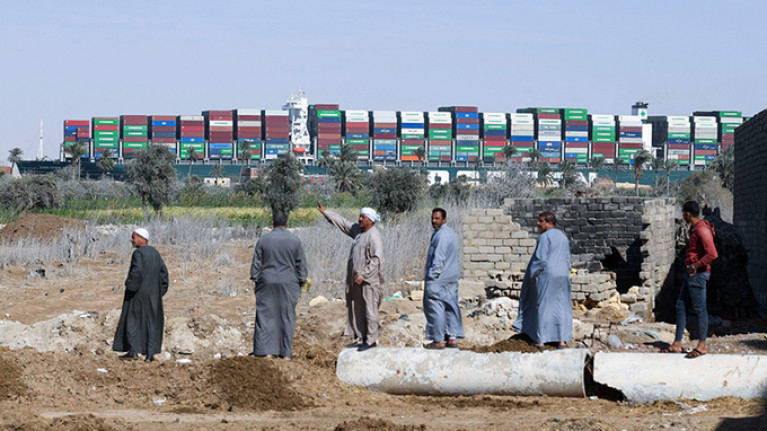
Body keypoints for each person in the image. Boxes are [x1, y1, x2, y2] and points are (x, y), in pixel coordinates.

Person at [318, 202, 384, 352]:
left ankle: (371, 339)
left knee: (370, 309)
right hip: (356, 281)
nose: (360, 219)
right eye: (360, 216)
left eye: (363, 217)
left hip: (369, 281)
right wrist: (326, 213)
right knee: (358, 309)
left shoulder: (374, 236)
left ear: (371, 220)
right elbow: (343, 223)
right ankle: (361, 338)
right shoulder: (358, 231)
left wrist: (364, 274)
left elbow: (376, 260)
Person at [250, 211, 308, 361]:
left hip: (267, 282)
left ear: (272, 223)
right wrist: (302, 281)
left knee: (265, 316)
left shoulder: (263, 240)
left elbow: (256, 264)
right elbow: (301, 264)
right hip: (289, 283)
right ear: (287, 223)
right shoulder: (295, 240)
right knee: (286, 317)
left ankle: (267, 352)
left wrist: (257, 280)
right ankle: (286, 354)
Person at [663, 201, 718, 358]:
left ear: (687, 213)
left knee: (700, 309)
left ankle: (701, 346)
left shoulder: (702, 229)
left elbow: (712, 254)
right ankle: (677, 343)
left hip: (698, 275)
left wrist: (696, 266)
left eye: (683, 213)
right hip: (692, 274)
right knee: (680, 305)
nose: (682, 215)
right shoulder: (697, 228)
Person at [512, 212, 572, 350]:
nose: (538, 224)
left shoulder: (545, 237)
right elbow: (567, 258)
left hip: (548, 276)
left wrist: (530, 276)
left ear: (549, 223)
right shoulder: (563, 237)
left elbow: (540, 259)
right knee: (561, 306)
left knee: (543, 306)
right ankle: (561, 341)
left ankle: (540, 340)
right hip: (562, 276)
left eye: (540, 221)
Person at [113, 228, 169, 362]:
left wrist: (130, 286)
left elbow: (137, 272)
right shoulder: (155, 253)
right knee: (152, 323)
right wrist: (159, 292)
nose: (131, 240)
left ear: (142, 239)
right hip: (153, 295)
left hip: (137, 294)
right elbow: (164, 275)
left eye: (133, 237)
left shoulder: (138, 253)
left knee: (132, 321)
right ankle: (150, 355)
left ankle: (133, 352)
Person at [423, 208, 464, 350]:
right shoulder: (451, 233)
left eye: (437, 218)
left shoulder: (441, 235)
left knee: (436, 308)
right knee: (450, 306)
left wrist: (431, 276)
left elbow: (438, 259)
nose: (434, 221)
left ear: (444, 220)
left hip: (439, 279)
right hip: (450, 278)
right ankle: (452, 338)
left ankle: (439, 340)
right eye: (433, 218)